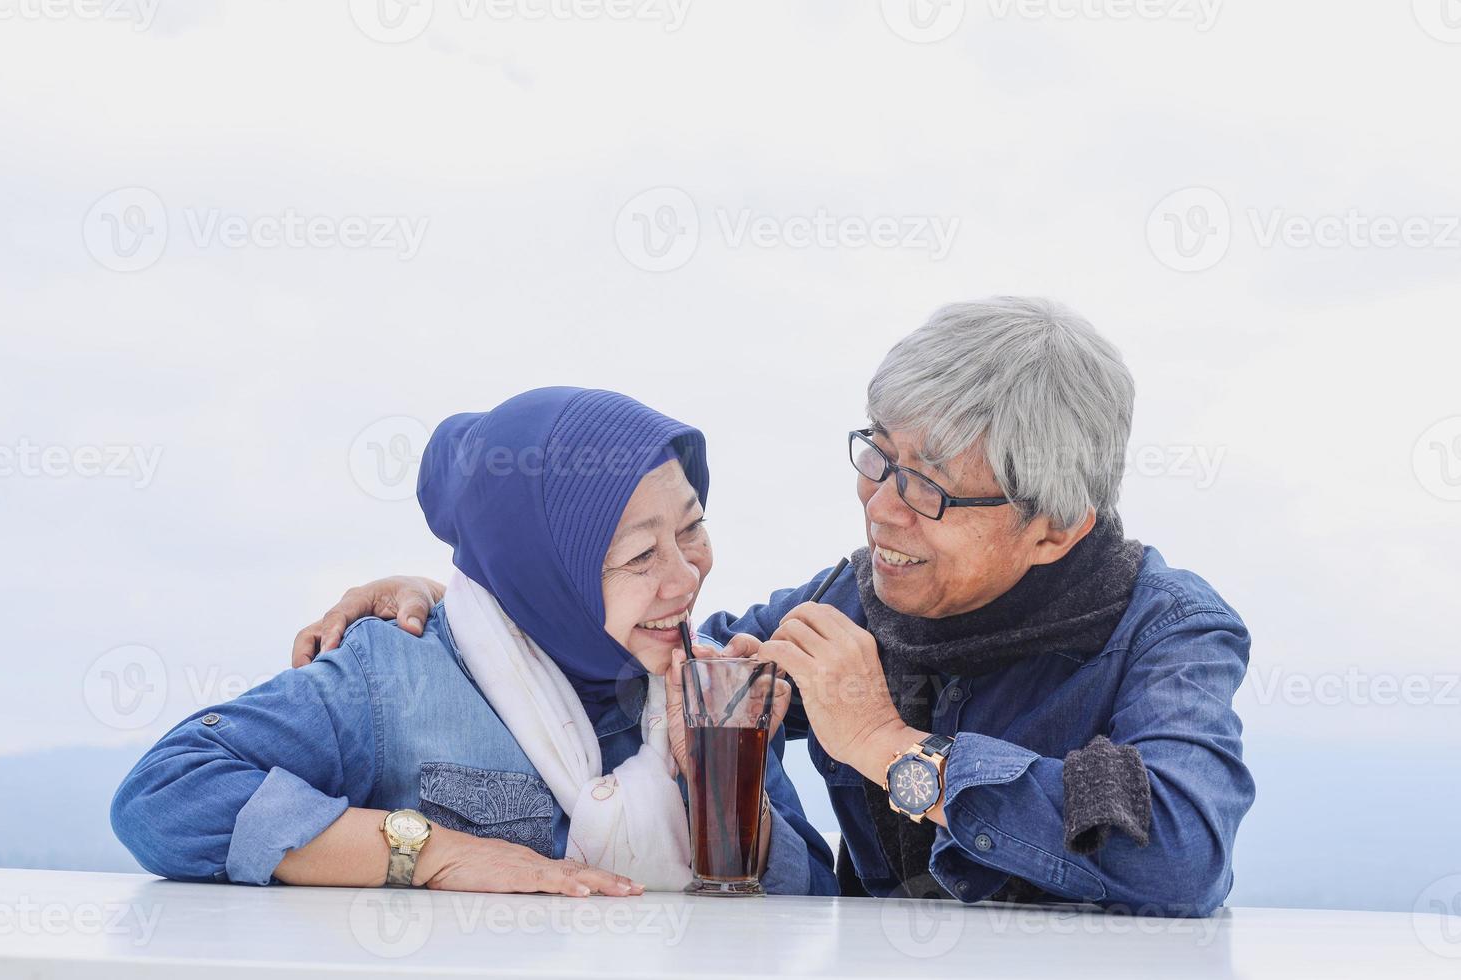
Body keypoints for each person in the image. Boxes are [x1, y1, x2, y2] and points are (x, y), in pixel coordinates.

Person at [293, 298, 1255, 916]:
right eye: (875, 455)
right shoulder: (851, 599)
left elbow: (1177, 851)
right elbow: (670, 658)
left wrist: (887, 745)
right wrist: (472, 598)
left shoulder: (1162, 631)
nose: (880, 507)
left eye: (928, 489)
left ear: (1054, 528)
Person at [113, 387, 836, 897]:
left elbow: (809, 901)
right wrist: (433, 854)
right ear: (540, 572)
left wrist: (717, 795)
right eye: (641, 555)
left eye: (691, 528)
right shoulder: (395, 671)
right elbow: (164, 797)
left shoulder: (714, 682)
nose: (686, 577)